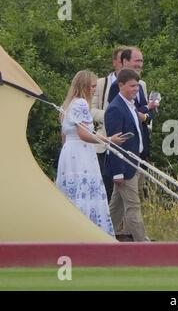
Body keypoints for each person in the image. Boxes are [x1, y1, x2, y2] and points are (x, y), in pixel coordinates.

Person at [56, 70, 125, 236]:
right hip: (80, 153)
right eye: (93, 86)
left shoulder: (70, 103)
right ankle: (88, 233)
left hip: (69, 153)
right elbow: (84, 135)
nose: (95, 90)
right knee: (85, 192)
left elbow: (65, 135)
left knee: (73, 193)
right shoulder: (81, 104)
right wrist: (109, 140)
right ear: (85, 87)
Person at [107, 47, 159, 201]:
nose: (140, 64)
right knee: (132, 203)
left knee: (121, 202)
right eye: (137, 61)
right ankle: (131, 226)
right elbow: (122, 113)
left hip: (141, 147)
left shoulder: (141, 85)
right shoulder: (116, 86)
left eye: (142, 61)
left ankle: (112, 225)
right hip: (126, 150)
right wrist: (144, 112)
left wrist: (147, 113)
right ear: (124, 62)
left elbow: (148, 116)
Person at [104, 69, 150, 242]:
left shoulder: (131, 105)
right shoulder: (115, 108)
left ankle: (103, 236)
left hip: (134, 161)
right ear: (121, 85)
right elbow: (115, 144)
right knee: (133, 205)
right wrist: (118, 172)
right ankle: (142, 244)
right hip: (124, 165)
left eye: (137, 86)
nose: (136, 89)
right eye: (132, 86)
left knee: (116, 207)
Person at [91, 45, 128, 202]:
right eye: (121, 61)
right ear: (115, 62)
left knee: (126, 191)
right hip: (104, 142)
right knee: (105, 186)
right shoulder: (101, 83)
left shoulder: (140, 84)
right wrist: (112, 116)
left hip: (127, 143)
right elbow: (91, 110)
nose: (123, 65)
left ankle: (122, 225)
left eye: (126, 61)